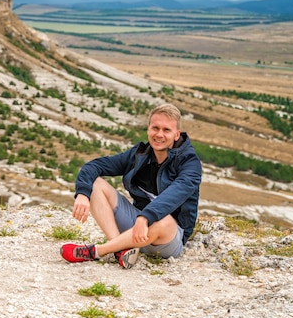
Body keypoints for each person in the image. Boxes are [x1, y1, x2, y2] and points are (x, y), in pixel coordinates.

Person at [60, 103, 202, 269]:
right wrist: (83, 194)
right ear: (148, 129)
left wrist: (145, 217)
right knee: (95, 183)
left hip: (168, 237)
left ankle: (97, 251)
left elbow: (175, 194)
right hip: (137, 229)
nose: (159, 134)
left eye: (166, 130)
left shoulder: (190, 163)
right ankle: (120, 250)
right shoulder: (139, 155)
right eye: (155, 128)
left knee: (165, 221)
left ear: (177, 134)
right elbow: (94, 166)